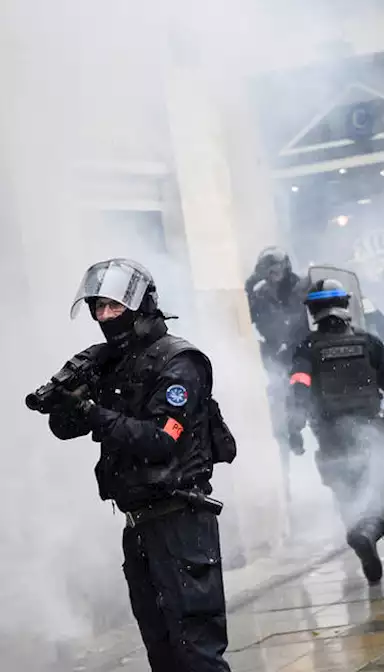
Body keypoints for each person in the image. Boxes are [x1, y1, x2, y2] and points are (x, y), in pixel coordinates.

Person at [35, 258, 235, 671]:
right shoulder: (113, 362)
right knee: (161, 653)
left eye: (114, 307)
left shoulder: (180, 361)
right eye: (99, 308)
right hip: (138, 525)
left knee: (196, 652)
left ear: (141, 304)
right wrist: (68, 398)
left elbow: (162, 440)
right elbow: (63, 427)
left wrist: (93, 413)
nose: (105, 316)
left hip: (181, 521)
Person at [286, 278, 384, 583]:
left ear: (313, 310)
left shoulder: (307, 349)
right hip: (370, 431)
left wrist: (294, 430)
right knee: (374, 491)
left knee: (347, 496)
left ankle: (358, 533)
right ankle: (367, 533)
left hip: (330, 438)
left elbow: (299, 391)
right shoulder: (368, 342)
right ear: (345, 305)